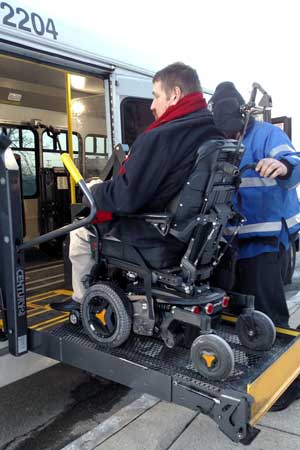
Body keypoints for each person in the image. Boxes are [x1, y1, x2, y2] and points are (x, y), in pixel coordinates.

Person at [51, 62, 222, 312]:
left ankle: (82, 301)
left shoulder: (161, 137)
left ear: (174, 94)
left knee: (79, 230)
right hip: (194, 235)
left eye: (155, 96)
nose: (152, 105)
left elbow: (126, 198)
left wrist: (94, 192)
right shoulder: (213, 134)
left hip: (159, 235)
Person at [210, 81, 300, 410]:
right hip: (235, 241)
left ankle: (287, 388)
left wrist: (285, 166)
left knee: (269, 313)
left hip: (268, 239)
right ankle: (257, 371)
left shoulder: (266, 135)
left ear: (243, 119)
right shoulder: (217, 139)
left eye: (235, 132)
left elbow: (294, 161)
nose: (232, 138)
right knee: (243, 314)